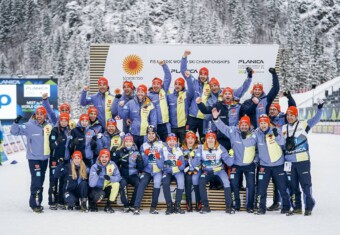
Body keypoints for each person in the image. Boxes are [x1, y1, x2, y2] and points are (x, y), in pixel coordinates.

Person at [242, 114, 291, 215]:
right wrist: (244, 138)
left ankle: (286, 207)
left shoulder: (275, 130)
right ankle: (261, 208)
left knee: (282, 187)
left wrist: (277, 136)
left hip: (278, 164)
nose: (263, 125)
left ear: (268, 123)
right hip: (264, 166)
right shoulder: (256, 132)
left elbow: (282, 142)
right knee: (261, 188)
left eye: (265, 123)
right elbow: (249, 143)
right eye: (261, 123)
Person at [282, 101, 324, 216]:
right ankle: (297, 207)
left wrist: (319, 110)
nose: (289, 117)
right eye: (288, 115)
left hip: (302, 160)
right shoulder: (283, 128)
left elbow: (315, 119)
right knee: (293, 186)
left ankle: (309, 206)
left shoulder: (303, 124)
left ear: (296, 116)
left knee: (306, 185)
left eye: (292, 115)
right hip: (289, 162)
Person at [212, 109, 256, 213]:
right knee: (234, 184)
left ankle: (249, 206)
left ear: (249, 125)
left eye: (246, 125)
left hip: (249, 165)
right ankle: (236, 205)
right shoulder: (233, 131)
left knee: (250, 185)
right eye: (242, 124)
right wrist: (215, 118)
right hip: (235, 164)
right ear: (239, 125)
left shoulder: (255, 134)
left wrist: (256, 159)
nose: (244, 127)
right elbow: (222, 127)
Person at [10, 107, 53, 213]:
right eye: (37, 114)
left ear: (45, 115)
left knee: (41, 180)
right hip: (33, 158)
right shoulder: (29, 125)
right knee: (36, 180)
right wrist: (16, 123)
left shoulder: (48, 126)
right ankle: (34, 204)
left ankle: (38, 201)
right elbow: (14, 132)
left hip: (44, 159)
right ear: (35, 115)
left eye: (41, 114)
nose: (39, 116)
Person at [266, 91, 297, 211]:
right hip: (274, 154)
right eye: (271, 109)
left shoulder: (283, 118)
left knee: (286, 180)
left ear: (279, 110)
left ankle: (290, 202)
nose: (272, 111)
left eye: (275, 109)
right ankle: (276, 202)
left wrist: (289, 98)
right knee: (276, 181)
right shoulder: (267, 120)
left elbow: (292, 108)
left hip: (285, 153)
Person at [192, 130, 235, 214]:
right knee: (201, 181)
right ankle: (205, 206)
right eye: (209, 138)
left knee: (226, 182)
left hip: (219, 171)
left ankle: (229, 207)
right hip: (207, 171)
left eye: (212, 138)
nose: (210, 140)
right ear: (206, 139)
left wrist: (231, 155)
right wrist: (192, 157)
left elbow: (229, 162)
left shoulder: (220, 147)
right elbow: (195, 164)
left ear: (215, 139)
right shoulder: (201, 148)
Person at [180, 50, 211, 141]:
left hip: (203, 119)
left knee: (204, 140)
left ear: (207, 75)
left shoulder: (210, 86)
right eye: (201, 74)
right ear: (199, 74)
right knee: (189, 140)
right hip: (192, 117)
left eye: (205, 75)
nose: (202, 76)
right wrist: (184, 56)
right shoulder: (193, 81)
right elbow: (183, 70)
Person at [133, 125, 163, 215]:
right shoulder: (143, 146)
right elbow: (143, 163)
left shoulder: (161, 144)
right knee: (142, 183)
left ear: (156, 134)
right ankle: (136, 207)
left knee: (157, 183)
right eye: (149, 133)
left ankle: (153, 207)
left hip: (157, 170)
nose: (151, 135)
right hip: (147, 170)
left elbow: (163, 160)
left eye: (153, 133)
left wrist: (157, 157)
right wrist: (146, 156)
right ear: (147, 134)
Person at [118, 84, 157, 149]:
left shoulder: (150, 105)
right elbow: (122, 115)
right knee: (133, 152)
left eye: (142, 92)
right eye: (139, 92)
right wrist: (120, 106)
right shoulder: (130, 103)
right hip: (133, 133)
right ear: (136, 93)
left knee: (144, 151)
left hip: (145, 134)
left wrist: (152, 133)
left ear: (145, 93)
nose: (140, 94)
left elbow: (153, 120)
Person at [113, 133, 144, 212]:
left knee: (139, 184)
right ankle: (126, 205)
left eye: (130, 141)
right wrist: (113, 154)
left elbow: (140, 168)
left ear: (132, 142)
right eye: (126, 141)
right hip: (124, 174)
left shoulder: (136, 152)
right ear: (124, 142)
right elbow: (114, 164)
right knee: (122, 184)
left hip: (133, 174)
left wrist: (140, 161)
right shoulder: (120, 151)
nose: (128, 143)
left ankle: (133, 204)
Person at [48, 113, 72, 210]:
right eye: (62, 120)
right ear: (59, 121)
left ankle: (61, 201)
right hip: (55, 160)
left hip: (65, 160)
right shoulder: (55, 130)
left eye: (65, 121)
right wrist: (57, 141)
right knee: (54, 180)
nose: (63, 122)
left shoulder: (69, 131)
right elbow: (52, 146)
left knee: (63, 181)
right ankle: (52, 201)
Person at [89, 149, 121, 213]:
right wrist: (97, 175)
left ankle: (108, 205)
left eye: (106, 157)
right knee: (100, 194)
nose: (104, 159)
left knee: (116, 184)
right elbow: (91, 184)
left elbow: (118, 177)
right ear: (99, 158)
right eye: (102, 157)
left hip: (106, 187)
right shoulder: (95, 167)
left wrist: (110, 178)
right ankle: (92, 204)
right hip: (96, 189)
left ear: (109, 158)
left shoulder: (112, 165)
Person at [160, 133, 186, 215]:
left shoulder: (179, 150)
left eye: (173, 140)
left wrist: (178, 166)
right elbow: (161, 165)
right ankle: (169, 206)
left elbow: (183, 165)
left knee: (181, 182)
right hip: (167, 172)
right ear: (167, 141)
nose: (172, 142)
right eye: (170, 140)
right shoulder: (163, 150)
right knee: (165, 183)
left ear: (176, 141)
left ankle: (177, 206)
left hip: (177, 172)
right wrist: (169, 167)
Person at [148, 61, 172, 142]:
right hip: (155, 125)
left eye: (158, 84)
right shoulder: (149, 95)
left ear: (161, 85)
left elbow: (168, 77)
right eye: (154, 84)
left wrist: (164, 65)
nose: (155, 86)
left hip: (165, 124)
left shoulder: (163, 91)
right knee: (155, 145)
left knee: (167, 144)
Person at [167, 75, 194, 144]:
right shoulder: (169, 97)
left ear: (183, 86)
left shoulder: (187, 95)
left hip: (183, 126)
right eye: (176, 84)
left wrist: (188, 78)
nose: (177, 86)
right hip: (172, 127)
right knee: (173, 147)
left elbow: (191, 89)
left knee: (184, 146)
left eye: (180, 84)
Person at [181, 131, 201, 212]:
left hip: (197, 168)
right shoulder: (182, 149)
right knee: (188, 179)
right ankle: (188, 202)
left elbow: (200, 161)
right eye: (188, 138)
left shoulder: (199, 148)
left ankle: (198, 201)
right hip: (187, 169)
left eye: (192, 138)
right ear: (186, 139)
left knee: (195, 179)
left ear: (195, 139)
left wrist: (196, 168)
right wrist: (187, 168)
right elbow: (182, 161)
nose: (190, 140)